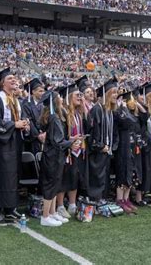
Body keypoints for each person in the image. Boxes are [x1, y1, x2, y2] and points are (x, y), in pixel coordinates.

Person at [0, 67, 29, 225]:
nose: (13, 80)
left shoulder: (16, 101)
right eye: (9, 78)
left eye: (14, 78)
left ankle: (10, 208)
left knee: (12, 177)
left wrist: (24, 124)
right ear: (2, 83)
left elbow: (19, 118)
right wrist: (14, 124)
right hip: (1, 145)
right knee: (0, 177)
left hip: (14, 144)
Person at [38, 90, 81, 227]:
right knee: (51, 185)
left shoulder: (52, 116)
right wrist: (71, 143)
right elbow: (57, 141)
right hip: (52, 157)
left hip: (55, 156)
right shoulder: (54, 118)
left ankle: (52, 212)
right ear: (55, 101)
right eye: (59, 98)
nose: (62, 99)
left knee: (56, 185)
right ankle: (45, 216)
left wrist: (69, 141)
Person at [56, 83, 87, 218]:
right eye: (77, 95)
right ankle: (60, 205)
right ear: (69, 97)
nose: (80, 97)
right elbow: (59, 134)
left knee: (74, 176)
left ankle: (73, 204)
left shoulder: (78, 113)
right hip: (66, 151)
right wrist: (70, 139)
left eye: (81, 95)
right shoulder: (63, 112)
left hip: (78, 149)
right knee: (64, 178)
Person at [86, 78, 118, 202]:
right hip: (97, 152)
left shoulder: (109, 111)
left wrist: (112, 146)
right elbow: (92, 133)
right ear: (107, 94)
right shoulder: (97, 109)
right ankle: (95, 201)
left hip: (106, 150)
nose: (116, 95)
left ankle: (102, 199)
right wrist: (100, 146)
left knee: (104, 177)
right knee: (97, 177)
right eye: (114, 92)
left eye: (117, 92)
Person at [114, 91, 140, 213]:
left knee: (130, 172)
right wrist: (122, 108)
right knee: (122, 172)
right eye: (130, 100)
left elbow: (136, 121)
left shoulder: (131, 113)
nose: (132, 102)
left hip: (131, 146)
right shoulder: (119, 112)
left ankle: (126, 198)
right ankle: (120, 199)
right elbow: (127, 122)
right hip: (122, 146)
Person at [22, 78, 46, 157]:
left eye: (43, 91)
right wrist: (38, 135)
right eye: (40, 91)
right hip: (32, 139)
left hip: (43, 137)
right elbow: (28, 120)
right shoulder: (26, 104)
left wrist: (45, 133)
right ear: (33, 92)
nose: (43, 93)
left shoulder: (43, 104)